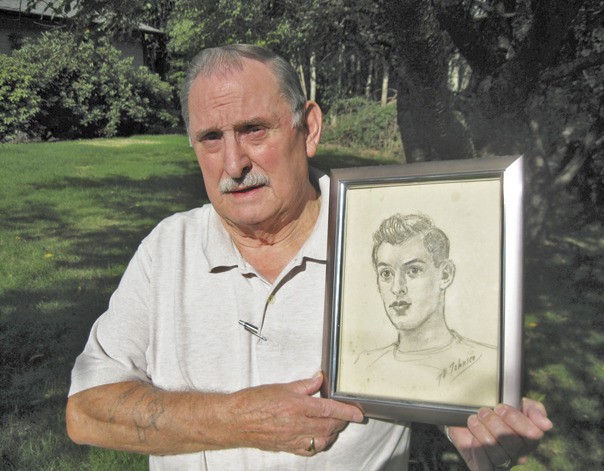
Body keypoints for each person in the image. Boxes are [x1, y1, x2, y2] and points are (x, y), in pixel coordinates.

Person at [66, 44, 552, 471]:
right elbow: (85, 411)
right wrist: (238, 420)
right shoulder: (167, 249)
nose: (233, 164)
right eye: (211, 138)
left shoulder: (374, 245)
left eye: (254, 130)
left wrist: (482, 432)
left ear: (309, 127)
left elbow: (449, 381)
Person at [354, 212, 498, 407]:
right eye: (386, 273)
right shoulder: (362, 367)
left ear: (445, 275)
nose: (397, 288)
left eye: (413, 270)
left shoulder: (489, 362)